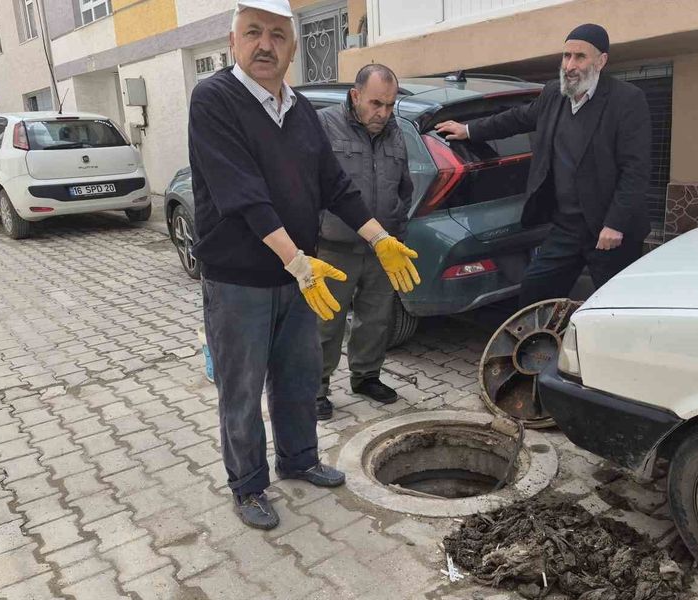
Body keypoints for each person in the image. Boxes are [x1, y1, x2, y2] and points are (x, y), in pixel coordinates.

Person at [188, 0, 420, 530]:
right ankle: (248, 486)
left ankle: (298, 459)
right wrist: (297, 260)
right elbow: (242, 195)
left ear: (292, 47)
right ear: (233, 42)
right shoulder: (214, 99)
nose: (264, 44)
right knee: (242, 389)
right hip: (241, 280)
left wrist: (379, 237)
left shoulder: (299, 111)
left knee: (297, 377)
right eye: (252, 33)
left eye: (276, 35)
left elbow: (334, 184)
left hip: (300, 277)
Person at [435, 23, 651, 306]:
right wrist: (468, 130)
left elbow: (635, 169)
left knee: (615, 306)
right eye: (566, 56)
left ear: (601, 61)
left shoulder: (626, 100)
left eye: (580, 57)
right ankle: (541, 347)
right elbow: (515, 119)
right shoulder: (554, 94)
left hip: (608, 229)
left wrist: (615, 225)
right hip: (566, 227)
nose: (570, 65)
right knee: (535, 295)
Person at [315, 64, 413, 420]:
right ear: (356, 95)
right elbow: (307, 186)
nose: (383, 113)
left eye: (389, 105)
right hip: (334, 246)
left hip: (380, 249)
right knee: (326, 322)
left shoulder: (394, 132)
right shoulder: (324, 126)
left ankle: (366, 376)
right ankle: (316, 389)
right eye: (376, 104)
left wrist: (396, 234)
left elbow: (404, 187)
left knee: (375, 319)